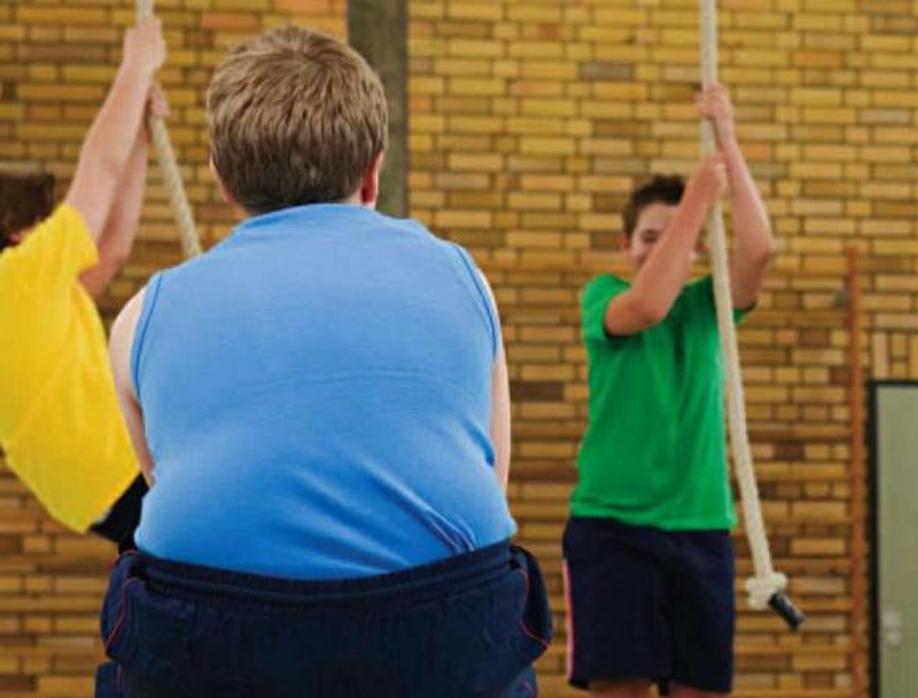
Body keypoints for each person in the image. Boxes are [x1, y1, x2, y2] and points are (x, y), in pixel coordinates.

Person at [99, 26, 549, 696]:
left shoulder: (143, 315)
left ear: (222, 180)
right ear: (375, 169)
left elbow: (167, 480)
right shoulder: (462, 277)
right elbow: (492, 471)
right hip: (443, 635)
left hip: (215, 640)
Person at [561, 83, 774, 698]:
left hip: (699, 527)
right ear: (626, 246)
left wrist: (728, 142)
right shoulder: (605, 296)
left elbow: (760, 249)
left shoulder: (708, 309)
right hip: (614, 528)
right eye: (647, 236)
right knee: (619, 687)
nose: (660, 244)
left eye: (673, 234)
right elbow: (649, 304)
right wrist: (696, 204)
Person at [0, 18, 164, 535]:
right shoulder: (16, 278)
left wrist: (139, 137)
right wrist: (135, 67)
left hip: (86, 487)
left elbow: (111, 250)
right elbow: (98, 172)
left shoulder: (29, 306)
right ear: (20, 234)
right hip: (108, 463)